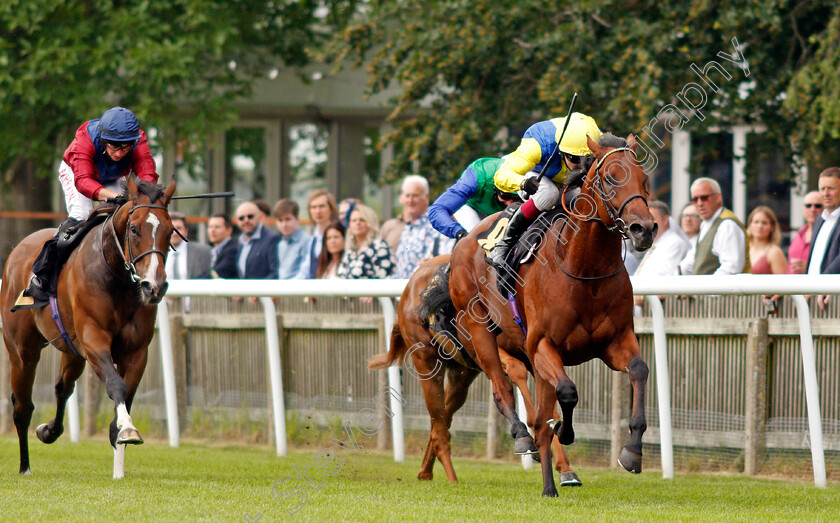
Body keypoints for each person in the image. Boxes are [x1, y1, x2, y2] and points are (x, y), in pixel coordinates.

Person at [23, 107, 158, 305]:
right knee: (82, 213)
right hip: (76, 173)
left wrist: (143, 198)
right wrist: (115, 196)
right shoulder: (84, 138)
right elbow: (84, 182)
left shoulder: (139, 140)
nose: (120, 153)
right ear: (103, 140)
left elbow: (148, 175)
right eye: (114, 147)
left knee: (129, 216)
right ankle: (44, 275)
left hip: (113, 177)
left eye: (126, 147)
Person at [486, 112, 603, 268]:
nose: (581, 166)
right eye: (575, 159)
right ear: (561, 151)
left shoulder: (594, 137)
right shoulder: (537, 144)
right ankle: (503, 245)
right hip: (535, 177)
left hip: (564, 179)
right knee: (549, 193)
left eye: (587, 159)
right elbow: (501, 176)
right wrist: (524, 183)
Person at [428, 157, 520, 241]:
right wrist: (459, 232)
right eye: (505, 196)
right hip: (473, 208)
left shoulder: (531, 178)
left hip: (516, 207)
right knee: (475, 243)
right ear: (494, 187)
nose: (510, 203)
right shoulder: (475, 178)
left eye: (516, 198)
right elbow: (436, 210)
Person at [384, 175, 453, 279]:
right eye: (407, 196)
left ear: (426, 198)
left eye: (415, 195)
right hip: (401, 289)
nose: (410, 200)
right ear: (401, 198)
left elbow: (443, 260)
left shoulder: (436, 223)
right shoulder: (408, 225)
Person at [678, 177, 749, 275]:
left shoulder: (727, 225)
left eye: (704, 197)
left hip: (719, 289)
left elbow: (731, 268)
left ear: (718, 197)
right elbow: (691, 263)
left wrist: (706, 287)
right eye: (695, 199)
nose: (699, 203)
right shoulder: (706, 224)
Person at [633, 201, 691, 308]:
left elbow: (663, 276)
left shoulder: (675, 243)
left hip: (660, 309)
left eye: (651, 219)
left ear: (665, 220)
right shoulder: (655, 244)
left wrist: (640, 294)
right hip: (644, 307)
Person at [807, 168, 840, 308]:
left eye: (831, 188)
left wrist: (824, 283)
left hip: (833, 299)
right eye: (822, 189)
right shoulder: (819, 220)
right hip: (812, 296)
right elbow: (813, 265)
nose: (826, 193)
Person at [338, 204, 395, 279]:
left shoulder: (379, 246)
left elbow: (386, 277)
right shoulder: (351, 251)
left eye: (362, 220)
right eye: (354, 220)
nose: (357, 223)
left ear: (370, 222)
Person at [235, 201, 280, 279]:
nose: (246, 220)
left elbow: (275, 273)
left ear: (259, 217)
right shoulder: (240, 241)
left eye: (250, 216)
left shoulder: (272, 239)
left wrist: (256, 290)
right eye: (241, 218)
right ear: (237, 221)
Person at [273, 199, 312, 280]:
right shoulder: (281, 244)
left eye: (288, 219)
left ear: (298, 219)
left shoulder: (307, 241)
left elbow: (306, 273)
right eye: (280, 220)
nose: (284, 224)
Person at [165, 212, 212, 280]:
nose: (175, 233)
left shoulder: (203, 251)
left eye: (179, 228)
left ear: (186, 231)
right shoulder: (156, 254)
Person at [306, 189, 339, 277]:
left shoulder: (338, 235)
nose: (318, 211)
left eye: (322, 206)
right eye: (314, 207)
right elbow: (306, 269)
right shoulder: (313, 239)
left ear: (331, 209)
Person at [788, 191, 822, 274]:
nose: (812, 209)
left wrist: (810, 267)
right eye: (808, 206)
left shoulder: (827, 234)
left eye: (817, 206)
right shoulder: (799, 234)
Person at [746, 206, 787, 275]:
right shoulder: (744, 249)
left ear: (772, 227)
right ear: (750, 225)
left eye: (764, 223)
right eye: (756, 222)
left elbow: (782, 283)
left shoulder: (774, 252)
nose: (760, 226)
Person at [207, 212, 239, 279]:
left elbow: (217, 273)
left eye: (217, 227)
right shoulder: (212, 250)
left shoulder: (233, 250)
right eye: (210, 227)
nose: (212, 230)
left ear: (229, 230)